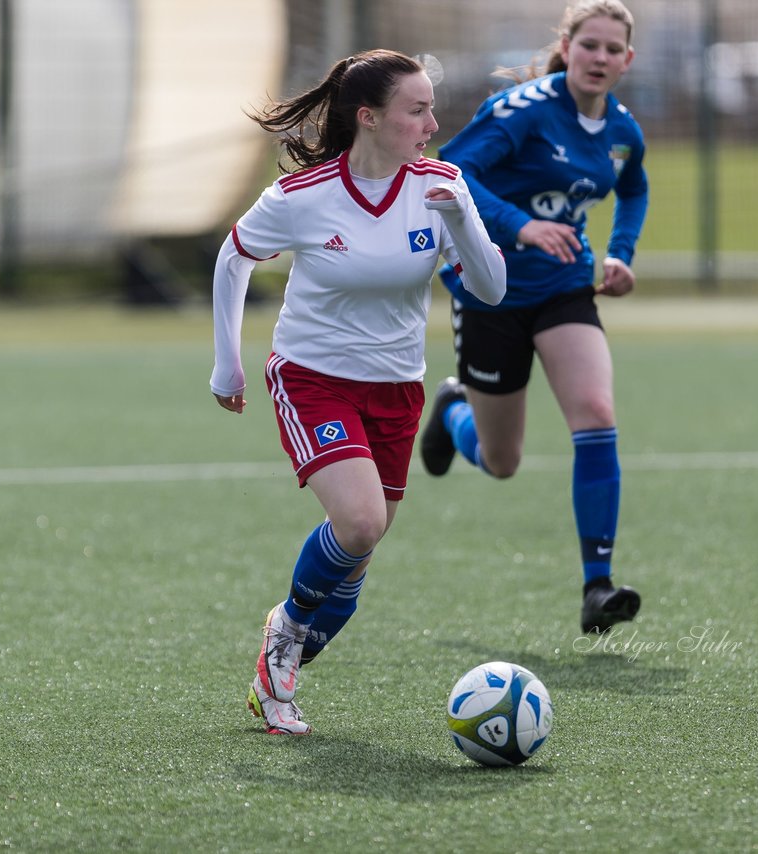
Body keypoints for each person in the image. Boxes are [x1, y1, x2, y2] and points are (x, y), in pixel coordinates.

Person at [210, 49, 506, 735]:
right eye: (417, 110)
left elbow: (491, 290)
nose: (432, 123)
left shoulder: (444, 185)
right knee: (361, 523)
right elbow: (233, 257)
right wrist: (227, 366)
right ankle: (282, 635)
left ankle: (288, 648)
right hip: (312, 378)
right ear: (369, 118)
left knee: (355, 562)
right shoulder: (303, 197)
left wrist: (459, 217)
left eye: (432, 107)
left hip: (397, 389)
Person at [421, 0, 648, 635]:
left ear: (627, 60)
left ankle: (597, 587)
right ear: (567, 48)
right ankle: (452, 409)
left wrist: (621, 254)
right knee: (502, 461)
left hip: (564, 290)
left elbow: (634, 187)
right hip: (488, 289)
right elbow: (453, 171)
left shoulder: (624, 131)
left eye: (612, 49)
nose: (600, 58)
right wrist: (522, 226)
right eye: (590, 46)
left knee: (597, 415)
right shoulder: (523, 111)